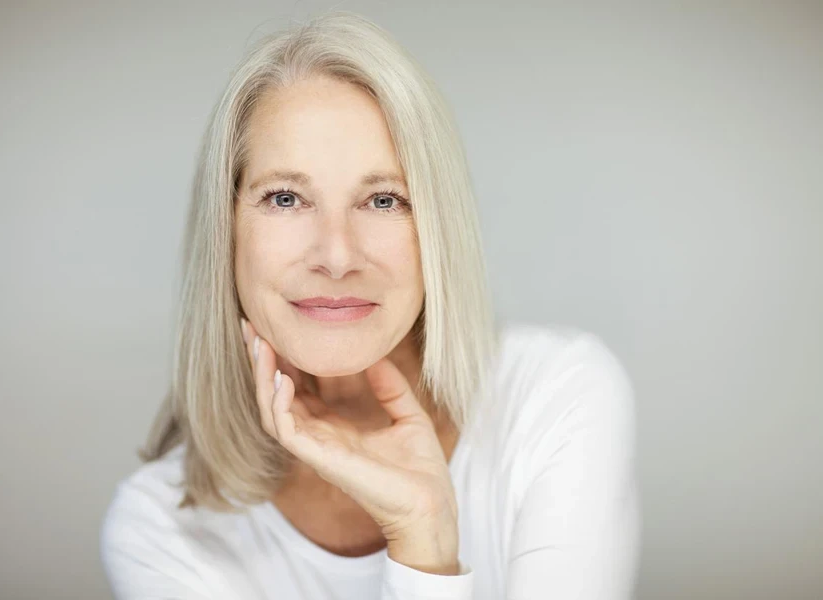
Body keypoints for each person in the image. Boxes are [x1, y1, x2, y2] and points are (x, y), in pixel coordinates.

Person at [99, 11, 640, 600]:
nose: (336, 255)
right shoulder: (160, 528)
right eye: (286, 197)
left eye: (383, 200)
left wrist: (423, 537)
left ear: (436, 226)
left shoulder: (554, 395)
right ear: (226, 231)